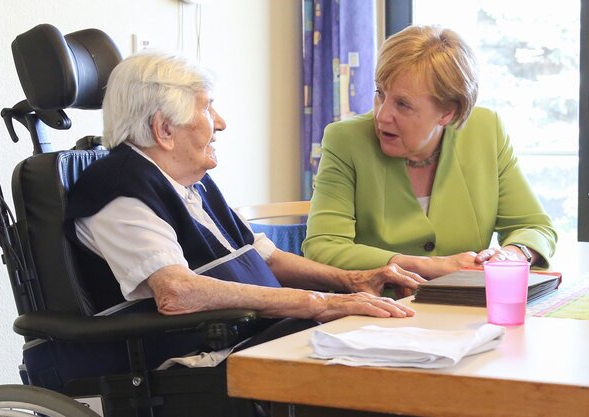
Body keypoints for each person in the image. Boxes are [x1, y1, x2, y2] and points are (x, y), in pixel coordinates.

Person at [64, 51, 422, 338]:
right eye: (206, 107)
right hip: (197, 355)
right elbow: (177, 293)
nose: (220, 122)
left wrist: (352, 281)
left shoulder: (190, 184)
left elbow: (266, 258)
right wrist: (321, 303)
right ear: (164, 129)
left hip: (253, 334)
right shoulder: (119, 193)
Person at [303, 25, 557, 281]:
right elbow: (323, 247)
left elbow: (534, 227)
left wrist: (512, 254)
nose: (381, 115)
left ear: (448, 112)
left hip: (462, 312)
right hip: (374, 309)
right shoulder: (345, 140)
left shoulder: (486, 131)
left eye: (402, 104)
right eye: (380, 93)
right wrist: (426, 265)